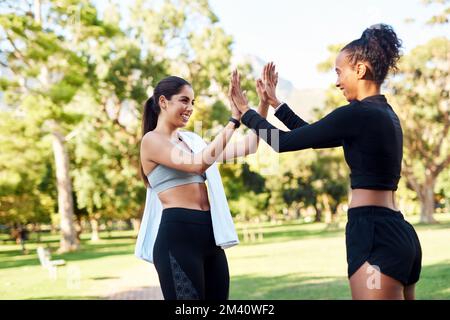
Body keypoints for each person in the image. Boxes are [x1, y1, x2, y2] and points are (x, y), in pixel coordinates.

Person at [230, 24, 422, 300]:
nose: (337, 81)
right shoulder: (384, 113)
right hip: (400, 233)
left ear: (360, 69)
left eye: (339, 71)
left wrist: (245, 111)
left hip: (373, 233)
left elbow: (283, 143)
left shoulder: (356, 114)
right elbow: (312, 134)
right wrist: (276, 104)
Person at [138, 70, 270, 300]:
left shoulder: (193, 141)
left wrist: (262, 106)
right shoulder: (151, 141)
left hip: (210, 236)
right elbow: (197, 165)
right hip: (177, 237)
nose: (190, 107)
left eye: (193, 102)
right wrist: (232, 121)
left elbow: (249, 147)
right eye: (184, 100)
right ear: (163, 102)